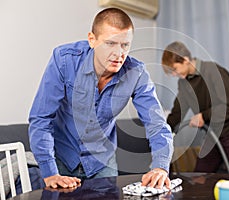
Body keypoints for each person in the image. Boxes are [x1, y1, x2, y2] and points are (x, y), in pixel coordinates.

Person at [28, 7, 173, 189]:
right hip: (61, 158)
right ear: (92, 40)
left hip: (102, 161)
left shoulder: (136, 73)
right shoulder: (64, 60)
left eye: (125, 45)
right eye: (110, 43)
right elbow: (41, 118)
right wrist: (50, 172)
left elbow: (156, 124)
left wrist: (161, 166)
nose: (119, 54)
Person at [161, 41, 229, 175]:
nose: (174, 74)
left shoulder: (214, 71)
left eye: (175, 69)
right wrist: (163, 132)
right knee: (199, 177)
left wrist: (203, 116)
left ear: (185, 60)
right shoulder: (184, 83)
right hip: (211, 136)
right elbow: (178, 111)